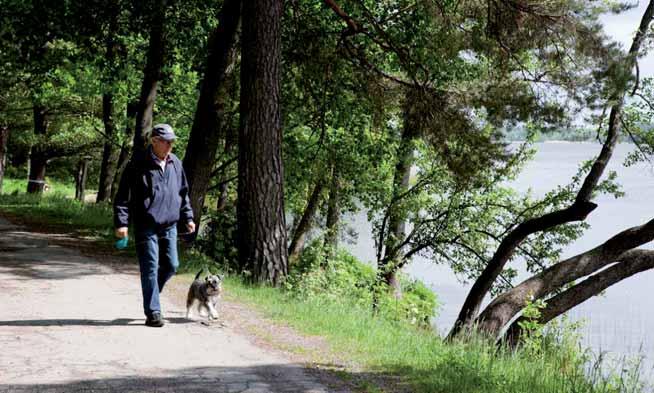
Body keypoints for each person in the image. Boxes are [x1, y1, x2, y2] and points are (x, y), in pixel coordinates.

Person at [113, 123, 195, 327]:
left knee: (171, 265)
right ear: (154, 141)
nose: (170, 146)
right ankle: (153, 312)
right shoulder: (137, 163)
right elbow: (123, 196)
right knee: (150, 267)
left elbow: (183, 193)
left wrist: (188, 217)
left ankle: (151, 294)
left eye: (172, 142)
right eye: (166, 141)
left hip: (169, 223)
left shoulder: (175, 162)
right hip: (145, 223)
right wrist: (122, 223)